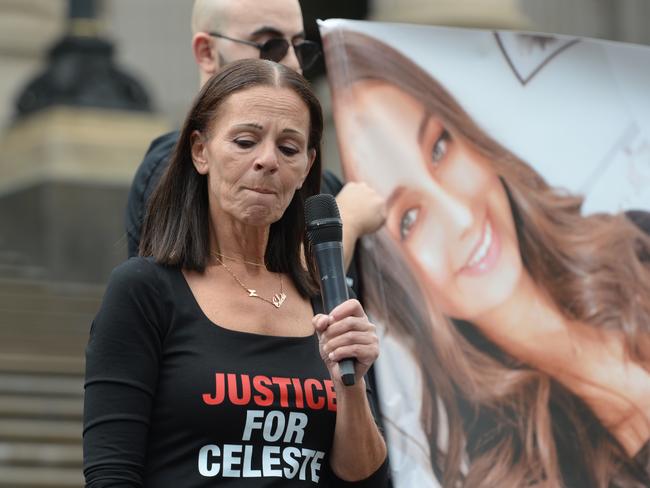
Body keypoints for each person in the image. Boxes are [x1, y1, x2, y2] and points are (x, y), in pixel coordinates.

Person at [324, 30, 650, 487]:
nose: (459, 216)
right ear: (398, 280)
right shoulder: (501, 469)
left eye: (439, 147)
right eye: (409, 219)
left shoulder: (636, 243)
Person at [84, 58, 389, 487]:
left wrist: (352, 388)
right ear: (200, 151)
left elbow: (363, 480)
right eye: (245, 141)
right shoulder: (146, 291)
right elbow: (111, 474)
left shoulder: (329, 302)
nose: (267, 161)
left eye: (288, 148)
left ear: (306, 167)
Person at [125, 0, 385, 284]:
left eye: (300, 46)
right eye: (269, 45)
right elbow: (245, 292)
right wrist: (349, 217)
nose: (293, 62)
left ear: (308, 163)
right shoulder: (172, 165)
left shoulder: (328, 187)